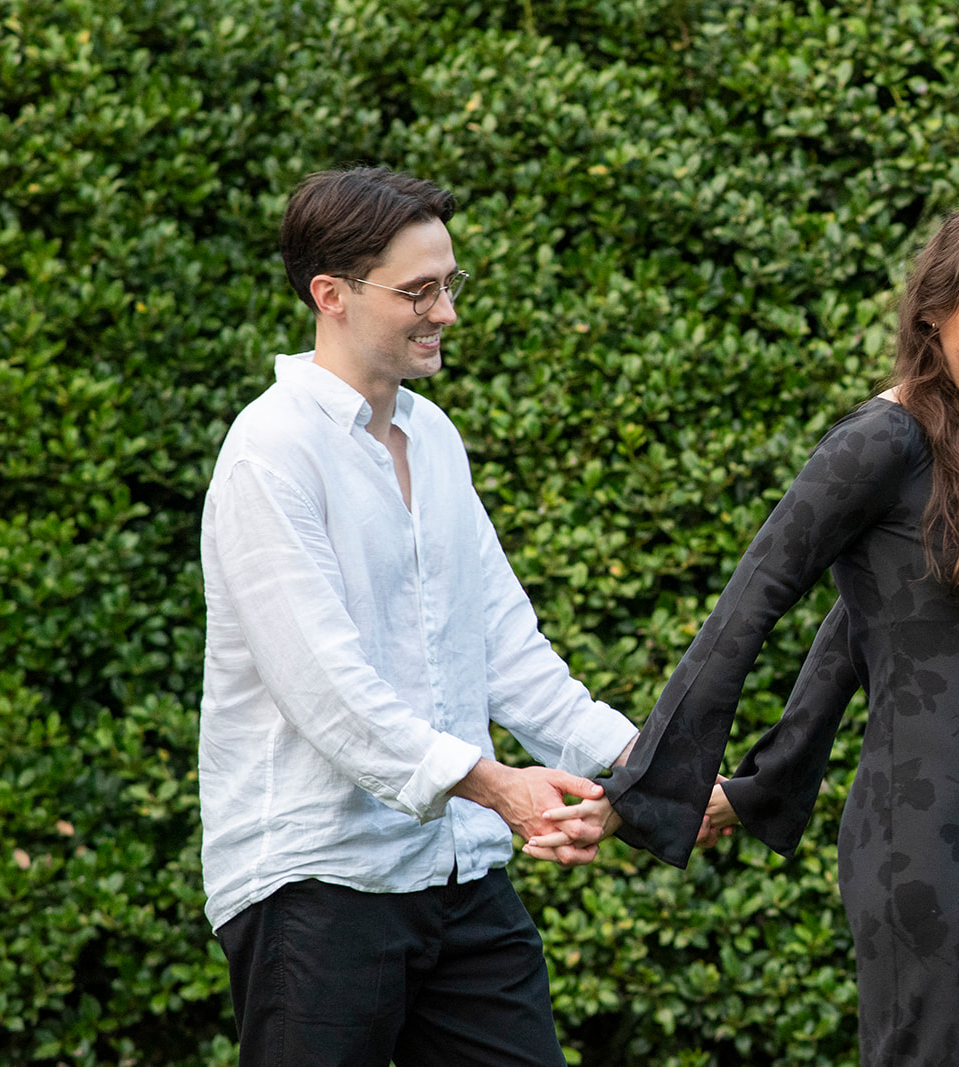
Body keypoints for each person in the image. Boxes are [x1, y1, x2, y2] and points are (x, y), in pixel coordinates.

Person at [538, 198, 959, 1064]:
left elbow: (857, 625)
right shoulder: (881, 441)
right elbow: (749, 605)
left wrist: (762, 783)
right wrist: (648, 787)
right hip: (930, 844)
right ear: (935, 310)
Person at [198, 165, 638, 1067]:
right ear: (332, 295)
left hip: (459, 872)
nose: (446, 312)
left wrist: (653, 767)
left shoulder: (433, 438)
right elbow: (329, 692)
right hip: (316, 883)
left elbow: (510, 654)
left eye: (451, 284)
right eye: (420, 290)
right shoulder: (271, 449)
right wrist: (501, 786)